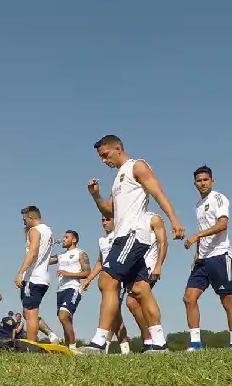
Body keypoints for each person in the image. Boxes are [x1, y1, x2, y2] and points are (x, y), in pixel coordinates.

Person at [79, 134, 185, 354]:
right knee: (140, 289)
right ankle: (160, 343)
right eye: (100, 157)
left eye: (105, 155)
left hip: (133, 235)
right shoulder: (118, 178)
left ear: (117, 148)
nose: (103, 160)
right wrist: (95, 195)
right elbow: (109, 211)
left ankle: (99, 342)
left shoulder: (137, 166)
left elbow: (157, 192)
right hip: (123, 235)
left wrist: (174, 219)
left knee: (107, 280)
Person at [182, 166, 232, 350]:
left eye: (206, 180)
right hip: (203, 260)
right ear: (195, 183)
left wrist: (196, 237)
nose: (202, 183)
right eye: (199, 181)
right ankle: (196, 344)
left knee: (227, 300)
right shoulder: (198, 206)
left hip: (220, 256)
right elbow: (204, 230)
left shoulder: (218, 198)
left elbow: (222, 224)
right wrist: (197, 255)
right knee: (189, 298)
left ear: (212, 181)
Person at [82, 215, 133, 354]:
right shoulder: (102, 240)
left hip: (117, 279)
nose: (104, 223)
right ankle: (126, 350)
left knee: (112, 314)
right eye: (102, 220)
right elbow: (100, 262)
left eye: (107, 220)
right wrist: (89, 279)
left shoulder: (120, 236)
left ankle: (102, 344)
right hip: (105, 280)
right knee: (116, 316)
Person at [124, 211, 170, 350]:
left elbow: (163, 243)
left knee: (142, 295)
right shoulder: (128, 221)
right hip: (134, 268)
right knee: (132, 302)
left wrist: (158, 265)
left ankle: (159, 341)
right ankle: (149, 340)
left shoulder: (153, 218)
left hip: (149, 265)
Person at [13, 205, 53, 343]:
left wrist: (20, 272)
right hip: (43, 278)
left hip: (33, 278)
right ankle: (46, 336)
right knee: (29, 312)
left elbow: (33, 252)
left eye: (25, 220)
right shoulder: (48, 230)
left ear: (31, 217)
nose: (24, 222)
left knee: (30, 316)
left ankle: (30, 346)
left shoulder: (35, 231)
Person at [49, 229, 90, 350]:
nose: (63, 239)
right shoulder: (61, 255)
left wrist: (68, 274)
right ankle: (68, 347)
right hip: (60, 289)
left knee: (63, 316)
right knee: (65, 319)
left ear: (74, 239)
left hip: (73, 287)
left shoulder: (80, 253)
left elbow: (87, 272)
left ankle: (73, 348)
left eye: (66, 237)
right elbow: (46, 260)